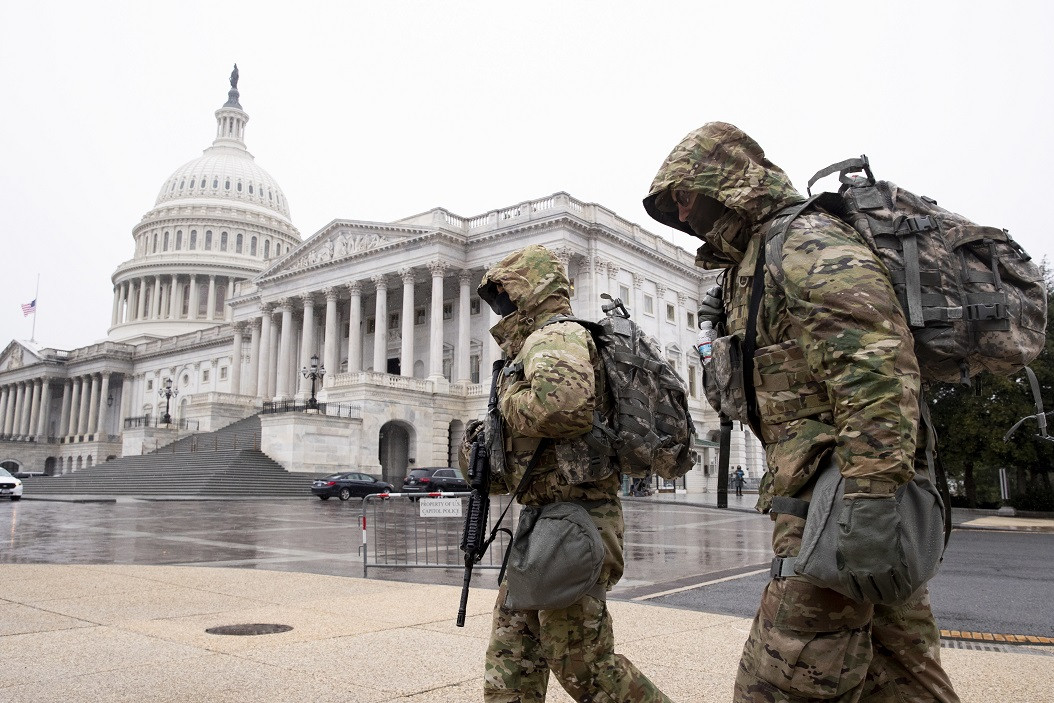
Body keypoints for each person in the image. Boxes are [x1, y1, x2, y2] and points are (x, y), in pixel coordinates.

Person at [643, 123, 959, 702]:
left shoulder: (803, 241)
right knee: (907, 685)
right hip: (834, 500)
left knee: (775, 686)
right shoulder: (754, 263)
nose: (681, 211)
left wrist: (869, 503)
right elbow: (755, 392)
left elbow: (877, 369)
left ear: (726, 184)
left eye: (685, 193)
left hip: (840, 508)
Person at [464, 244, 674, 703]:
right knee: (512, 658)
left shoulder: (555, 337)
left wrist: (501, 407)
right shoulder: (531, 346)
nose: (498, 308)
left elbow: (563, 408)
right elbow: (527, 456)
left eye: (505, 296)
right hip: (544, 519)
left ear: (531, 292)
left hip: (574, 519)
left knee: (586, 668)